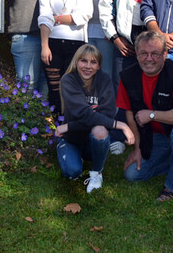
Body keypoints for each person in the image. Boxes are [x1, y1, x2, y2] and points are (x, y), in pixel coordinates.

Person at [117, 31, 173, 201]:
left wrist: (152, 115)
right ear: (137, 55)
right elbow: (130, 113)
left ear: (165, 54)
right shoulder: (128, 75)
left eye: (155, 53)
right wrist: (138, 148)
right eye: (143, 54)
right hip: (155, 137)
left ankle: (172, 186)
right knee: (132, 175)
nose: (149, 59)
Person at [55, 44, 135, 193]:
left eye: (93, 62)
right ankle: (73, 156)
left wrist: (68, 125)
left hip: (91, 138)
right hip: (72, 138)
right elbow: (85, 114)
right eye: (83, 61)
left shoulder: (104, 79)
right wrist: (121, 125)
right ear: (76, 62)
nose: (88, 66)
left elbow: (106, 116)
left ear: (99, 65)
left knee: (99, 130)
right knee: (72, 173)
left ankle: (97, 172)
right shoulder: (68, 80)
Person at [38, 0, 93, 113]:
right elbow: (44, 19)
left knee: (73, 88)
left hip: (76, 46)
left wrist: (57, 19)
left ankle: (73, 129)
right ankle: (55, 127)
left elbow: (83, 16)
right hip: (53, 45)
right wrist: (44, 46)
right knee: (54, 89)